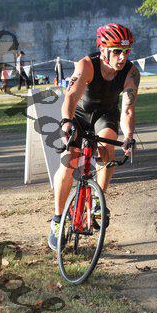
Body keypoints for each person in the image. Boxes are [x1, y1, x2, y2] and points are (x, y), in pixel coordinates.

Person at [48, 23, 140, 251]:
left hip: (106, 115)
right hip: (79, 115)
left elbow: (128, 109)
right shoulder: (87, 65)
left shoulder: (131, 72)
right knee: (69, 161)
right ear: (103, 49)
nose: (122, 57)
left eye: (126, 51)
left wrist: (128, 135)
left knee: (108, 150)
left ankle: (99, 200)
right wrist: (67, 122)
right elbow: (71, 96)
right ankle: (58, 219)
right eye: (116, 51)